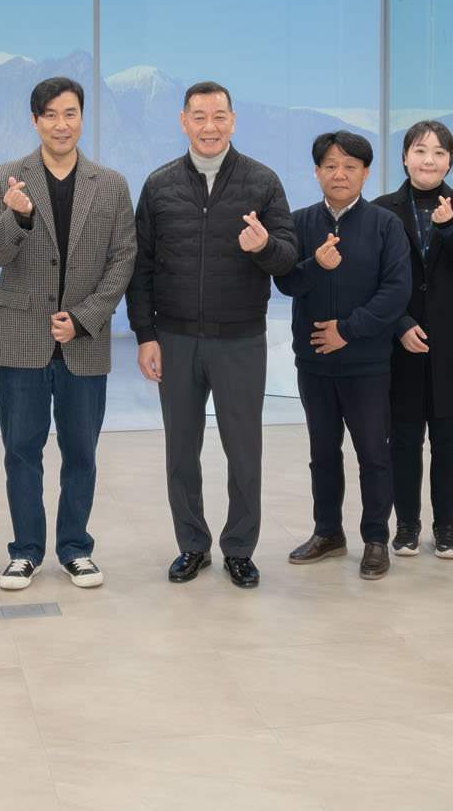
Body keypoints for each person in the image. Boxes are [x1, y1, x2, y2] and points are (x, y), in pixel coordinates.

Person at [127, 81, 297, 589]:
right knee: (181, 451)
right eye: (199, 116)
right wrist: (145, 334)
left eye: (219, 116)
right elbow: (141, 266)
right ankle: (192, 545)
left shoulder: (262, 182)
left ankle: (240, 548)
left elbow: (287, 258)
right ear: (183, 122)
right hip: (175, 339)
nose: (209, 126)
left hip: (239, 340)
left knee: (244, 451)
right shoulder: (159, 185)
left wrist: (264, 247)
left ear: (233, 120)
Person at [0, 77, 135, 590]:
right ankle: (25, 552)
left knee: (81, 454)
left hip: (83, 341)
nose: (60, 124)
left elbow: (124, 258)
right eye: (50, 115)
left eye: (70, 114)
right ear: (35, 121)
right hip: (20, 337)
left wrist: (85, 317)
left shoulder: (110, 184)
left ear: (82, 118)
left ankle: (75, 549)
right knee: (21, 451)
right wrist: (17, 217)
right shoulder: (6, 178)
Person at [276, 131, 411, 580]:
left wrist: (347, 331)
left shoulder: (385, 225)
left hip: (366, 363)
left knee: (373, 454)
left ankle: (376, 539)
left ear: (365, 173)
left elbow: (396, 292)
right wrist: (317, 265)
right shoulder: (299, 223)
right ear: (317, 172)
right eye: (330, 165)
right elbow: (286, 281)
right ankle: (328, 533)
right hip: (314, 362)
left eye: (350, 166)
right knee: (322, 453)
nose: (340, 174)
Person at [372, 120, 453, 560]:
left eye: (439, 152)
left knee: (449, 439)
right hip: (399, 341)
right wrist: (400, 323)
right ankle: (406, 525)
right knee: (403, 439)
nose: (429, 159)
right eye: (421, 151)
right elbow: (373, 278)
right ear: (405, 157)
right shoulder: (382, 209)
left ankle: (446, 527)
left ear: (450, 161)